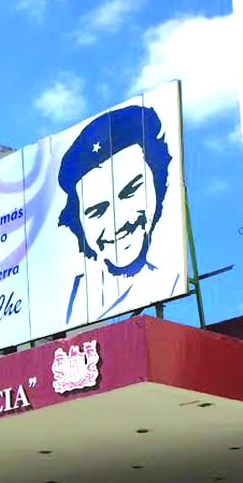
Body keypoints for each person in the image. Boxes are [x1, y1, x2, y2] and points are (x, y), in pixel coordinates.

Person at [57, 103, 181, 325]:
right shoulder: (68, 304)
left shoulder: (171, 278)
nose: (120, 220)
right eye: (96, 211)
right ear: (79, 223)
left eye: (131, 191)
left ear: (157, 184)